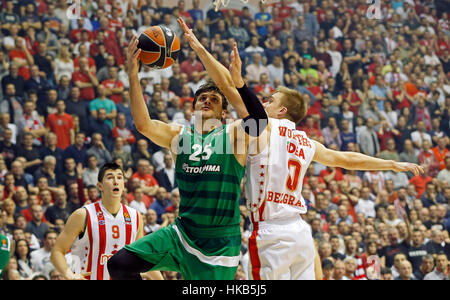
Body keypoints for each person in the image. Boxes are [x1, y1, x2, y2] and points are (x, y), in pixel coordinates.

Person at [107, 27, 265, 280]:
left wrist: (236, 81)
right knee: (120, 264)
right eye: (202, 98)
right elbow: (143, 124)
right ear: (193, 107)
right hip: (182, 233)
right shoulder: (179, 136)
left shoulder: (234, 134)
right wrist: (133, 75)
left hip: (219, 242)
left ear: (223, 113)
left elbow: (258, 120)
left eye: (214, 99)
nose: (206, 101)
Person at [50, 162, 162, 280]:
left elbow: (143, 256)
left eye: (119, 177)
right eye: (110, 177)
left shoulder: (135, 216)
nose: (116, 181)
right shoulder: (83, 214)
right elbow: (57, 251)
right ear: (100, 186)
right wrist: (70, 275)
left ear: (123, 185)